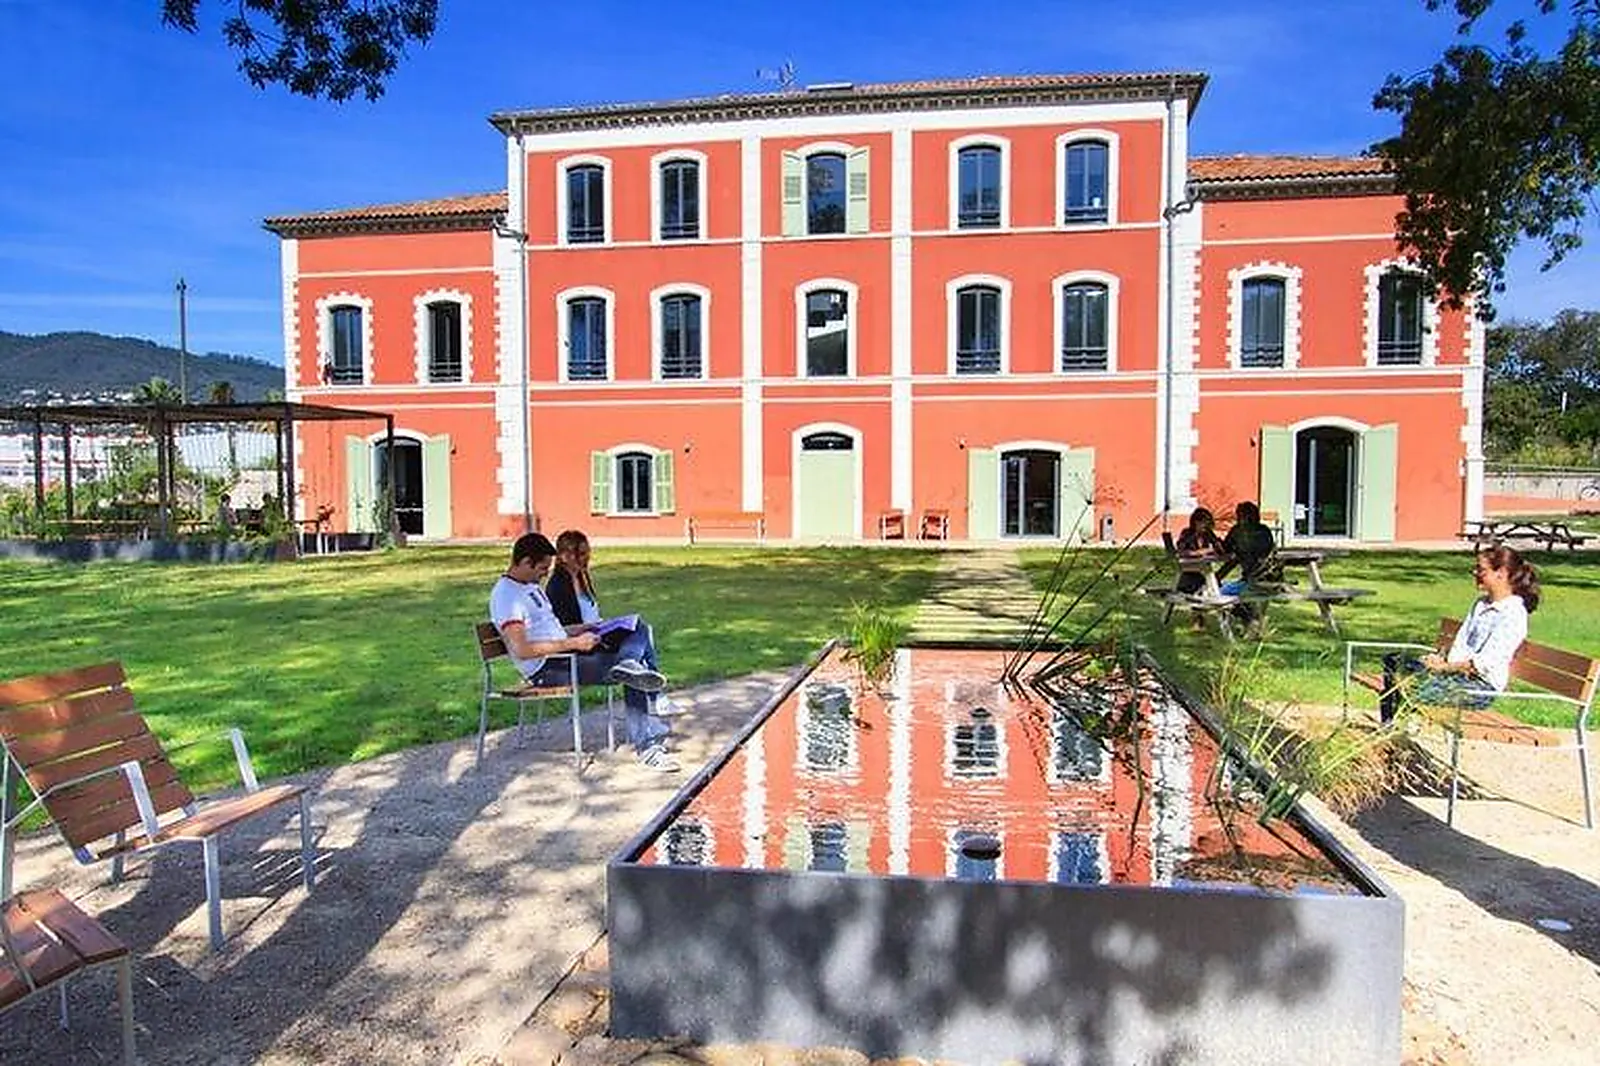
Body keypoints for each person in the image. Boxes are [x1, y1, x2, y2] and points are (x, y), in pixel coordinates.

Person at [489, 532, 678, 771]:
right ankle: (647, 748)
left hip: (566, 655)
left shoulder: (529, 587)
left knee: (637, 628)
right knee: (634, 671)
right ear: (525, 562)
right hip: (548, 669)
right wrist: (575, 644)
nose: (546, 573)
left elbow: (553, 631)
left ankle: (628, 664)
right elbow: (523, 650)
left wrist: (583, 628)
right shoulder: (507, 597)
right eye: (542, 568)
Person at [1379, 545, 1540, 724]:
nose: (1474, 572)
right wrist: (1440, 658)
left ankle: (1397, 730)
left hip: (1479, 687)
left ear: (1500, 573)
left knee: (1414, 687)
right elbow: (1462, 643)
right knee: (1394, 661)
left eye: (1480, 569)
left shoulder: (1513, 614)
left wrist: (1443, 668)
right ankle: (1388, 727)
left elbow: (1482, 664)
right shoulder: (1481, 604)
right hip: (1455, 675)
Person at [547, 530, 685, 717]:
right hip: (582, 644)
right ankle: (655, 696)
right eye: (580, 554)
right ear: (564, 556)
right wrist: (594, 629)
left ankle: (649, 690)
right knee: (640, 639)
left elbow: (591, 614)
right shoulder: (557, 585)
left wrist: (606, 625)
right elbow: (563, 628)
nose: (585, 558)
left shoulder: (582, 577)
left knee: (640, 630)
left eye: (587, 553)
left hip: (596, 633)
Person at [1216, 500, 1281, 623]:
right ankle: (1250, 619)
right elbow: (1229, 551)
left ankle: (1249, 620)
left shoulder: (1239, 531)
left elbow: (1226, 550)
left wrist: (1217, 544)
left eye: (1240, 515)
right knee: (1221, 590)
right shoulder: (1264, 531)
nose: (1239, 518)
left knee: (1218, 594)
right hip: (1262, 579)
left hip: (1255, 582)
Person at [1173, 507, 1223, 595]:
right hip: (1189, 568)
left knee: (1214, 579)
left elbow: (1218, 548)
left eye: (1208, 525)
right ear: (1196, 522)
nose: (1207, 528)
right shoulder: (1187, 533)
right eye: (1204, 524)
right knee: (1209, 578)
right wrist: (1201, 551)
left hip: (1201, 567)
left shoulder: (1208, 534)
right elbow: (1181, 551)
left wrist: (1218, 545)